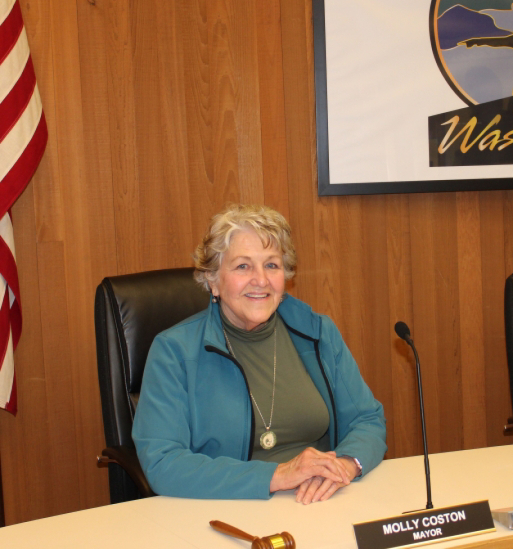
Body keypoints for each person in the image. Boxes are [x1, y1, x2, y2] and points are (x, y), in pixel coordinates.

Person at [132, 204, 387, 503]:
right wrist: (276, 476)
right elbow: (163, 463)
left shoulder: (317, 333)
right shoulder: (174, 351)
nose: (261, 280)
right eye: (243, 266)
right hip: (225, 509)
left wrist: (345, 465)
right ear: (213, 281)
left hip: (319, 501)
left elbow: (367, 420)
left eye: (271, 265)